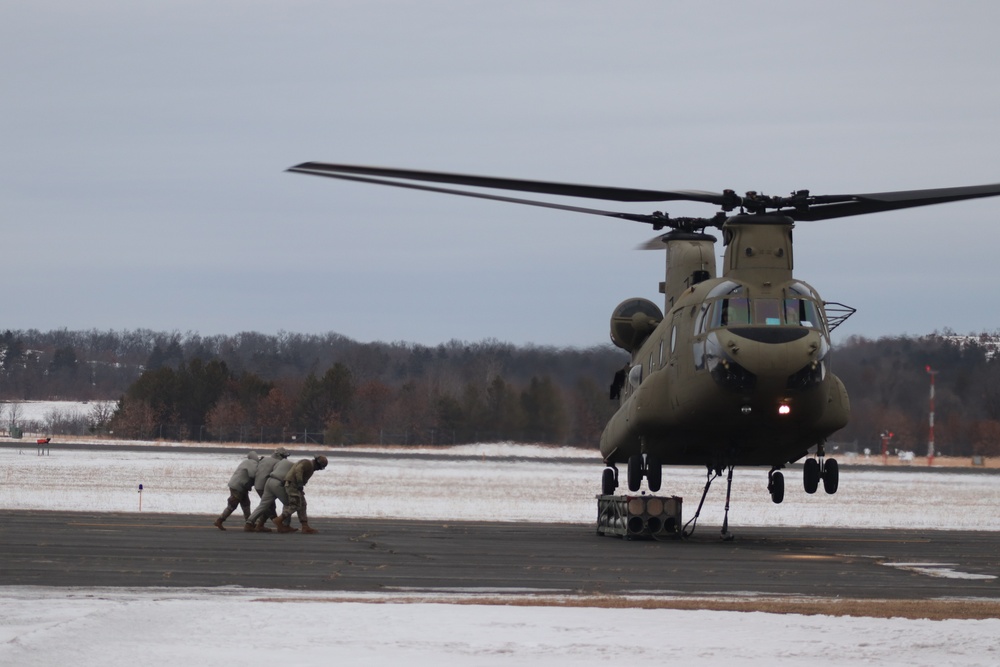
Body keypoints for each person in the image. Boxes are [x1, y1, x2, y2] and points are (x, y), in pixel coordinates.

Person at [275, 455, 328, 534]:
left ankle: (305, 526)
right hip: (293, 485)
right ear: (317, 463)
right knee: (295, 505)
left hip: (295, 486)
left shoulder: (309, 465)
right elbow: (298, 469)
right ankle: (279, 520)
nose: (319, 470)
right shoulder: (307, 463)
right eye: (320, 467)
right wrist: (299, 483)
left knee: (303, 504)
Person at [244, 455, 296, 533]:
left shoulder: (265, 459)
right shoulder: (282, 463)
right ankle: (285, 525)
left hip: (266, 483)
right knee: (288, 503)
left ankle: (249, 523)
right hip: (276, 483)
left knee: (263, 505)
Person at [213, 450, 261, 530]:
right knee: (233, 504)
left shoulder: (245, 462)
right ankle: (219, 520)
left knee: (246, 504)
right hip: (239, 487)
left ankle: (249, 523)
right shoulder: (252, 463)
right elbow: (252, 474)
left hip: (238, 486)